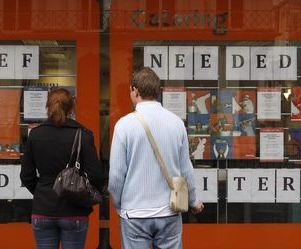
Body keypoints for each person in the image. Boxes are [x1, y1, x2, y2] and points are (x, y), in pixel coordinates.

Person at [108, 67, 203, 249]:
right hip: (169, 211)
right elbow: (185, 169)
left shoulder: (124, 125)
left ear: (135, 91)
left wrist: (121, 206)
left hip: (134, 213)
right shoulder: (176, 123)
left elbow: (116, 176)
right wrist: (193, 201)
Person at [20, 88, 103, 249]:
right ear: (71, 108)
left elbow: (26, 175)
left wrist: (42, 191)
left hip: (43, 208)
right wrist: (87, 196)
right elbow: (95, 175)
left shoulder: (35, 135)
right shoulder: (83, 135)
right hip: (74, 210)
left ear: (48, 107)